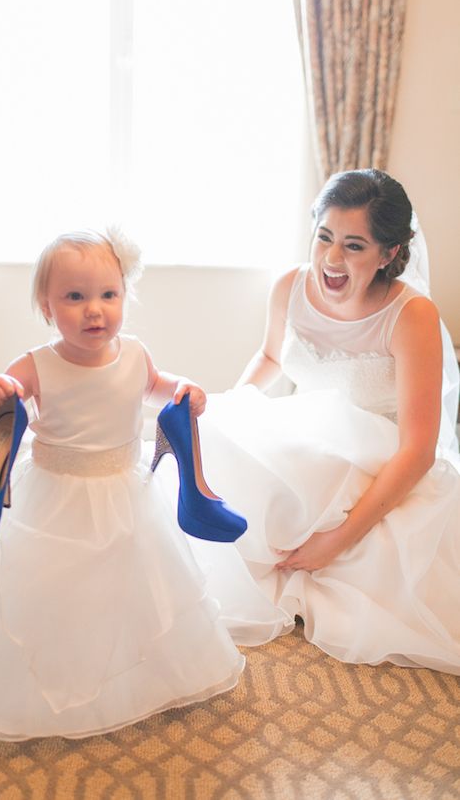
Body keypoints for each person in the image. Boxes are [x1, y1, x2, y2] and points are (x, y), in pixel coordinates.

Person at [0, 228, 246, 740]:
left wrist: (184, 389)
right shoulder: (36, 365)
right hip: (55, 494)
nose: (95, 310)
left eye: (108, 295)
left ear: (124, 298)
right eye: (75, 297)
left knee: (132, 585)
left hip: (124, 491)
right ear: (47, 307)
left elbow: (156, 388)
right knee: (51, 592)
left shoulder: (134, 354)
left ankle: (137, 680)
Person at [194, 168, 460, 675]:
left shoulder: (412, 315)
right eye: (324, 237)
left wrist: (338, 540)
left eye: (354, 246)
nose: (332, 260)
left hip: (381, 462)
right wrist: (231, 406)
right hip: (310, 437)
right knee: (214, 453)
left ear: (389, 253)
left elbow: (419, 450)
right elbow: (271, 358)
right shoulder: (290, 287)